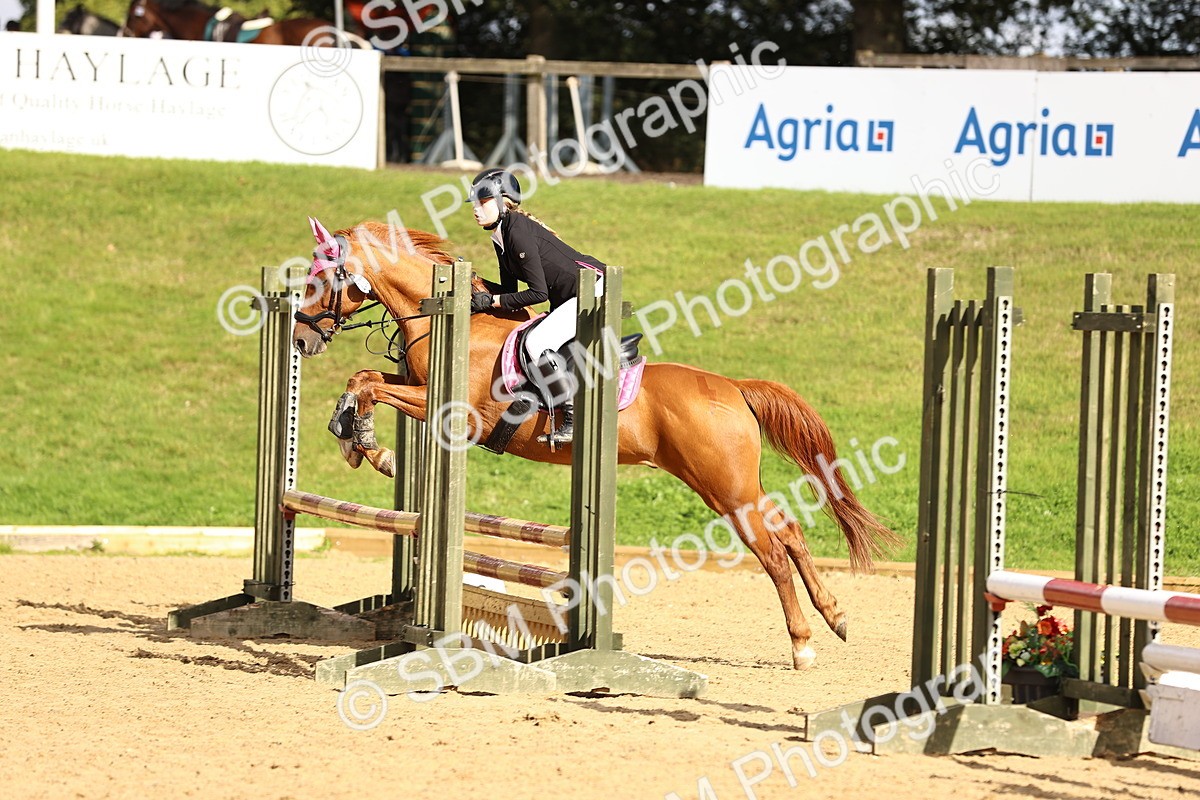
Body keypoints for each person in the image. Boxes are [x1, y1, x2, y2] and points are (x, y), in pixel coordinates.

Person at [467, 168, 606, 447]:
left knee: (537, 341)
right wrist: (476, 290)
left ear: (502, 200)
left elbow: (537, 293)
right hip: (570, 295)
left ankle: (572, 418)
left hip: (590, 290)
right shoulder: (501, 234)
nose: (475, 210)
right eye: (474, 203)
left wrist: (492, 301)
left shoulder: (517, 231)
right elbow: (510, 292)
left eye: (482, 203)